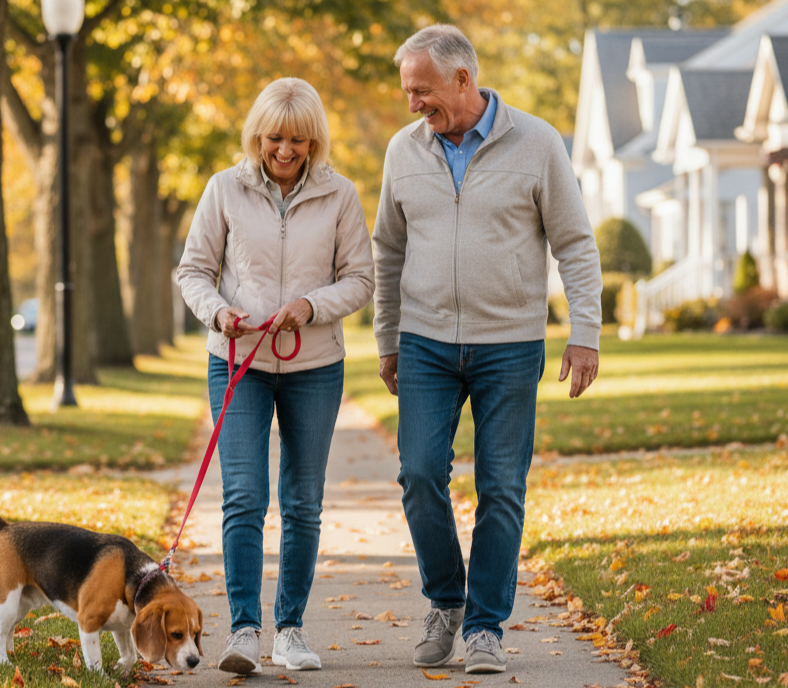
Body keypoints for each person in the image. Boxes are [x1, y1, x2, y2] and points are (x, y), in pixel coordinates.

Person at [372, 25, 602, 675]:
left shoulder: (536, 143)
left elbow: (575, 244)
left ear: (463, 80)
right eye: (407, 92)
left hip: (511, 344)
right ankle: (446, 601)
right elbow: (387, 249)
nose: (413, 103)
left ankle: (485, 629)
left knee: (502, 487)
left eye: (422, 90)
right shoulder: (402, 151)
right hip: (425, 341)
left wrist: (584, 332)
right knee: (419, 475)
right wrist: (388, 338)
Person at [177, 77, 375, 675]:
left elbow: (360, 279)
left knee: (302, 501)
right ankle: (244, 630)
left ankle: (290, 628)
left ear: (314, 140)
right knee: (243, 497)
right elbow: (193, 271)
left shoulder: (340, 195)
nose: (285, 151)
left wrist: (312, 306)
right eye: (274, 138)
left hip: (314, 365)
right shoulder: (224, 190)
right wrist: (219, 313)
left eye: (297, 139)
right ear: (257, 136)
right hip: (238, 360)